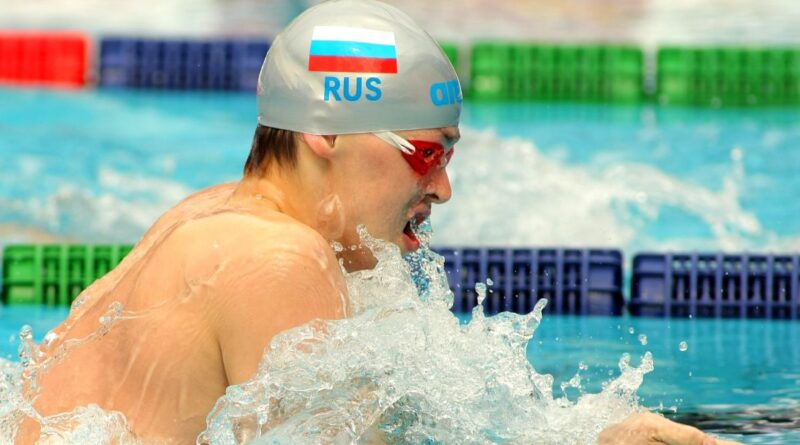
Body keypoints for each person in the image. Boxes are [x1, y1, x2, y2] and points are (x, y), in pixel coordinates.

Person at [12, 1, 740, 444]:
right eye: (425, 153)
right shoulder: (279, 260)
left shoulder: (210, 213)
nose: (444, 187)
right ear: (326, 134)